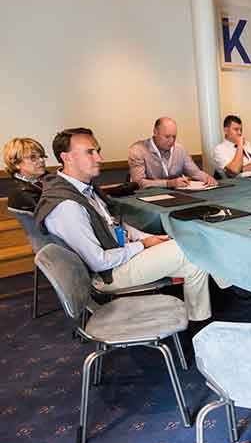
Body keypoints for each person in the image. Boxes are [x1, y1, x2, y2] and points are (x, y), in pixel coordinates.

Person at [35, 127, 219, 322]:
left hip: (118, 257)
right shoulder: (67, 206)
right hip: (106, 276)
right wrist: (143, 245)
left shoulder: (82, 189)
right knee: (189, 248)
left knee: (193, 262)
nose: (99, 158)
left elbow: (114, 224)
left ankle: (198, 321)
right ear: (67, 158)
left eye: (98, 151)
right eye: (90, 152)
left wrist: (149, 238)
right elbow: (98, 262)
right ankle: (230, 285)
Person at [129, 117, 217, 189]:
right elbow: (138, 182)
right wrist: (168, 183)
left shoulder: (179, 149)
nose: (171, 141)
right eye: (167, 137)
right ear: (155, 132)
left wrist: (207, 178)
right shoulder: (138, 150)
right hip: (148, 197)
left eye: (174, 137)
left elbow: (194, 172)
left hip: (178, 195)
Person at [3, 138, 47, 213]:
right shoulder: (23, 192)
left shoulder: (47, 177)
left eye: (42, 156)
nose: (41, 160)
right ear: (16, 164)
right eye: (33, 157)